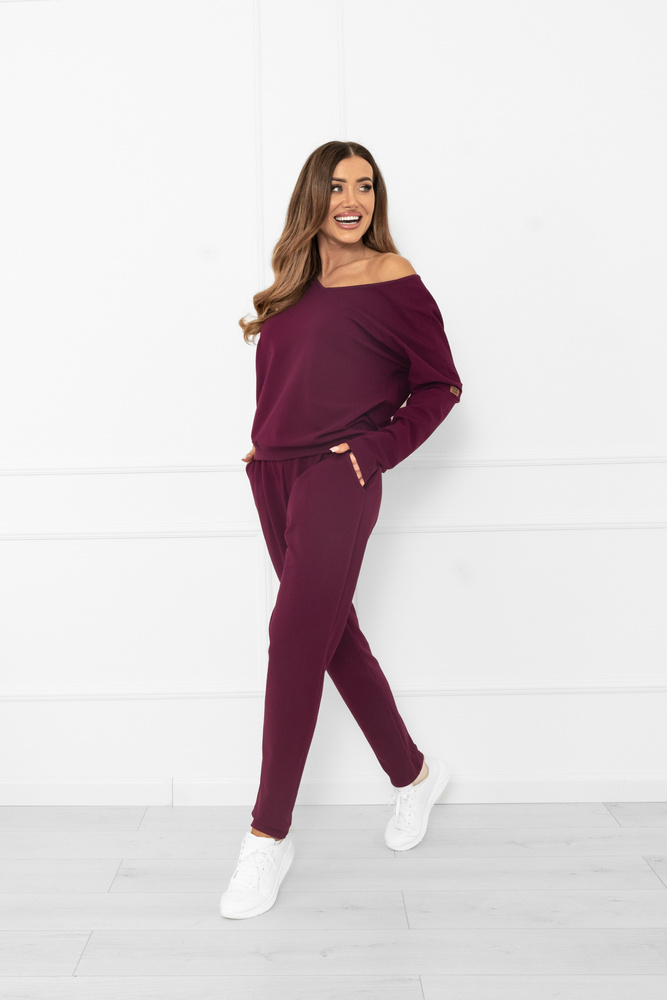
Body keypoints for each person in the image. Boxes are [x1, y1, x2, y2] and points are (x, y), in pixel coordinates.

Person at [219, 140, 463, 920]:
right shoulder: (292, 286)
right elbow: (291, 381)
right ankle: (415, 776)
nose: (351, 199)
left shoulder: (392, 276)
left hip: (340, 471)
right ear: (312, 198)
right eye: (336, 186)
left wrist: (373, 452)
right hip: (276, 472)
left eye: (364, 185)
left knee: (292, 636)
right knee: (331, 638)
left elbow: (441, 385)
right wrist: (263, 445)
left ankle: (267, 836)